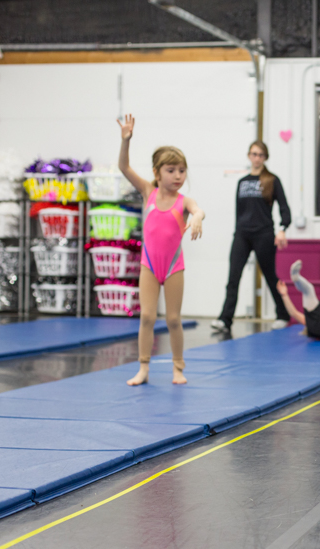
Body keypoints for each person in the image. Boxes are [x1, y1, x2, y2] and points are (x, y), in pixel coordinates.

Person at [116, 114, 205, 386]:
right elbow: (123, 166)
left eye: (181, 170)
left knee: (174, 319)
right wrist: (126, 141)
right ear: (157, 173)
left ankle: (178, 368)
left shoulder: (183, 201)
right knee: (147, 317)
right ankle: (143, 368)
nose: (177, 176)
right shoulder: (148, 192)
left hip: (173, 266)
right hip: (149, 266)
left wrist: (198, 217)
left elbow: (197, 209)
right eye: (171, 170)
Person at [212, 141, 291, 334]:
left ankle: (282, 315)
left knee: (270, 275)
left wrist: (282, 229)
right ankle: (225, 319)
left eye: (261, 155)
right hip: (242, 234)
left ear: (265, 158)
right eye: (254, 154)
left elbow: (284, 209)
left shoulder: (272, 180)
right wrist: (238, 232)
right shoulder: (242, 182)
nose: (257, 158)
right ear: (249, 156)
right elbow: (239, 212)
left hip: (264, 234)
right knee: (233, 277)